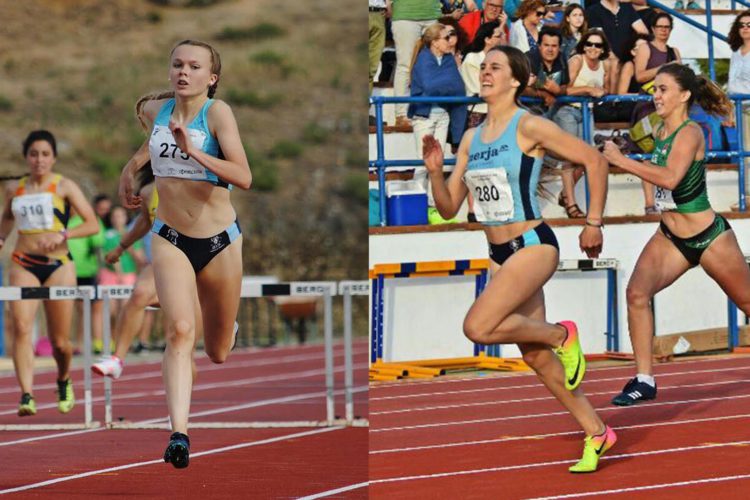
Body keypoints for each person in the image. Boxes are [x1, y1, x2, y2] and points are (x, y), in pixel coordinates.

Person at [424, 45, 615, 472]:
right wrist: (436, 171)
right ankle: (597, 431)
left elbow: (594, 160)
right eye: (483, 67)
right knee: (533, 357)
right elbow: (451, 207)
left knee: (476, 326)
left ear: (516, 80)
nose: (486, 73)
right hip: (498, 253)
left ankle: (561, 334)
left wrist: (594, 222)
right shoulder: (472, 137)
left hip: (532, 244)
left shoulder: (528, 126)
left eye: (495, 67)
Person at [119, 39, 251, 468]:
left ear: (210, 78)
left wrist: (194, 151)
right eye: (177, 64)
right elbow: (149, 151)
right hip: (169, 235)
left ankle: (227, 327)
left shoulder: (218, 114)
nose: (183, 71)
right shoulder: (159, 113)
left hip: (218, 243)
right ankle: (179, 434)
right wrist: (129, 170)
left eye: (194, 66)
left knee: (217, 352)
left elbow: (243, 176)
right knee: (178, 330)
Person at [601, 63, 750, 406]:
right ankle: (644, 379)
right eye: (654, 89)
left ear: (684, 95)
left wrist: (621, 160)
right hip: (670, 237)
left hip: (708, 237)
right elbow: (656, 176)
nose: (656, 96)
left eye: (664, 89)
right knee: (637, 294)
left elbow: (669, 178)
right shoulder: (659, 131)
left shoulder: (690, 132)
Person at [0, 130, 99, 416]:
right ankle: (27, 394)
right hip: (23, 263)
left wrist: (64, 235)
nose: (39, 160)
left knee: (60, 341)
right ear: (26, 157)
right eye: (33, 154)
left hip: (58, 266)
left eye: (45, 154)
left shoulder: (64, 186)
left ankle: (63, 378)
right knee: (21, 327)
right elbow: (6, 219)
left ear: (53, 158)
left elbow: (92, 223)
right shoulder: (15, 189)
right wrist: (2, 237)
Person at [408, 22, 467, 223]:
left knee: (437, 165)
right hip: (423, 115)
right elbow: (431, 85)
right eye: (446, 37)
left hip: (443, 114)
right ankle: (416, 206)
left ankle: (435, 207)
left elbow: (458, 87)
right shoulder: (424, 58)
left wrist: (446, 85)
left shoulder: (449, 59)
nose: (450, 41)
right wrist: (448, 84)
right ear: (435, 42)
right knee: (422, 163)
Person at [557, 29, 612, 219]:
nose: (593, 48)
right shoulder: (577, 60)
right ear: (583, 45)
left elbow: (606, 89)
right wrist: (588, 89)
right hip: (568, 110)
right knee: (569, 158)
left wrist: (601, 91)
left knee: (588, 156)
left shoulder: (605, 65)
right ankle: (571, 204)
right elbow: (565, 89)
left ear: (603, 48)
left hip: (587, 112)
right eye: (589, 44)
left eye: (598, 45)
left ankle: (566, 193)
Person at [633, 13, 681, 215]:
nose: (663, 30)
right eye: (660, 26)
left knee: (668, 153)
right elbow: (639, 75)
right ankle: (649, 202)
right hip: (647, 105)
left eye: (667, 27)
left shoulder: (674, 51)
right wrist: (664, 68)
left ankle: (666, 200)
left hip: (668, 108)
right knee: (648, 153)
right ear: (653, 28)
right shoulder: (645, 48)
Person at [391, 0, 443, 127]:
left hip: (432, 13)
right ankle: (402, 114)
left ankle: (430, 110)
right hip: (405, 14)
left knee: (434, 63)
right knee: (405, 64)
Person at [67, 205, 106, 355]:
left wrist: (100, 268)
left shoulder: (89, 219)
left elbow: (98, 246)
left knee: (94, 307)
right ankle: (79, 343)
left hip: (89, 271)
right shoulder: (61, 219)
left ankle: (97, 342)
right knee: (78, 309)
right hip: (68, 272)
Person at [727, 10, 750, 211]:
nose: (745, 28)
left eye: (749, 24)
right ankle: (748, 195)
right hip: (740, 107)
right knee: (745, 154)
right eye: (741, 24)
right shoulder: (736, 52)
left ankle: (748, 196)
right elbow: (732, 84)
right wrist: (730, 110)